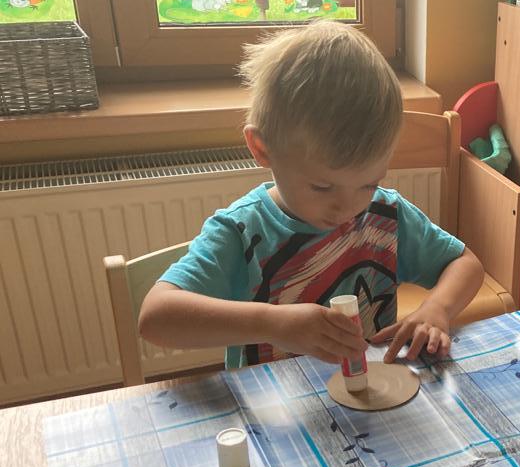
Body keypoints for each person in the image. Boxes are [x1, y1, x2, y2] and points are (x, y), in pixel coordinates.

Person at [140, 22, 484, 368]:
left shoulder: (385, 215)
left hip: (368, 391)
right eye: (322, 187)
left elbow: (466, 264)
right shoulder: (242, 233)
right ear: (262, 148)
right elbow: (156, 317)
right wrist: (272, 323)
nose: (347, 207)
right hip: (275, 401)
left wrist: (436, 308)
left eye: (368, 184)